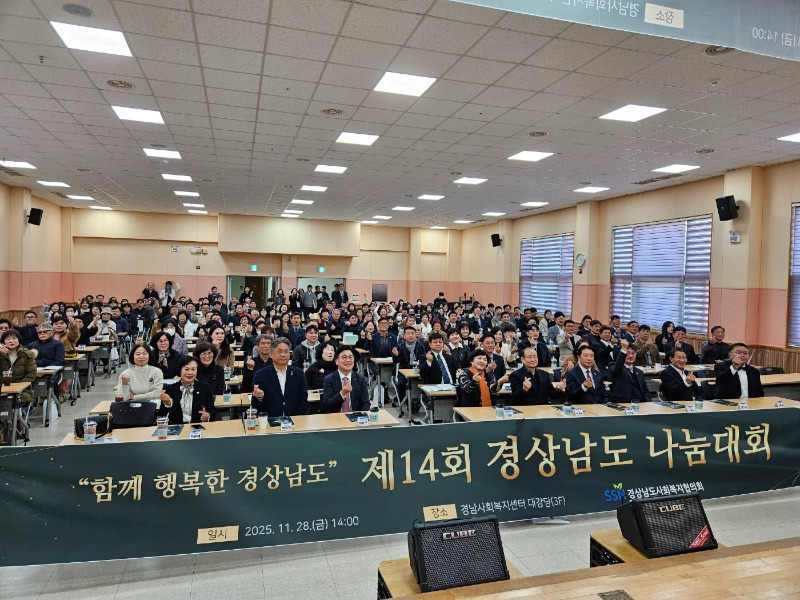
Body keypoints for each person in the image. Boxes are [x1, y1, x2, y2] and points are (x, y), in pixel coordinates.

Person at [251, 337, 308, 417]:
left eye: (286, 351)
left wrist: (297, 417)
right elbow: (255, 404)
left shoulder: (298, 373)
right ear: (271, 354)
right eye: (279, 351)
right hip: (270, 420)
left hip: (294, 419)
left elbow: (303, 399)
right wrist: (259, 397)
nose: (283, 355)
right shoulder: (261, 374)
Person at [158, 355, 215, 424]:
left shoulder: (205, 388)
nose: (190, 373)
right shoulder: (170, 389)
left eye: (193, 369)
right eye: (186, 369)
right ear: (180, 370)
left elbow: (212, 410)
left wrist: (208, 415)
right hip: (177, 427)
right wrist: (168, 403)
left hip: (198, 426)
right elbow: (162, 415)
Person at [321, 347, 370, 413]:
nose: (348, 360)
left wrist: (360, 416)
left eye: (350, 357)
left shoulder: (360, 379)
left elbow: (366, 403)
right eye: (344, 357)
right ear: (336, 361)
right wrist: (342, 393)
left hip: (355, 416)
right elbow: (326, 405)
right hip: (336, 417)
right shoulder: (329, 379)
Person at [0, 329, 37, 406]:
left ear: (19, 340)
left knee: (12, 402)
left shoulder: (27, 354)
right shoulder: (1, 355)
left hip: (22, 390)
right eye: (8, 339)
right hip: (3, 389)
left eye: (14, 338)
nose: (11, 341)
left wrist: (17, 387)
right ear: (3, 342)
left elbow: (31, 374)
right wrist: (1, 355)